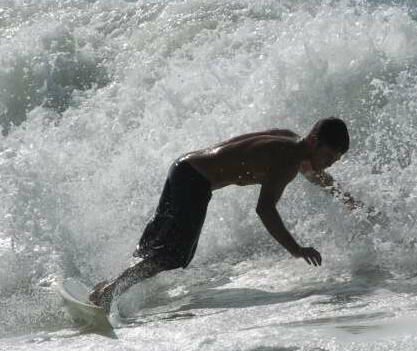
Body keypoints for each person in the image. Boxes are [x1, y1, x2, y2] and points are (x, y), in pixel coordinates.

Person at [90, 117, 365, 311]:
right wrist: (296, 249)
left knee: (157, 243)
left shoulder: (291, 140)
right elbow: (265, 209)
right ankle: (111, 291)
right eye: (328, 157)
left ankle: (108, 285)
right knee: (173, 255)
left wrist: (349, 200)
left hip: (183, 167)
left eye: (334, 161)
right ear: (314, 141)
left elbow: (314, 173)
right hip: (195, 182)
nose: (328, 164)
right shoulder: (288, 161)